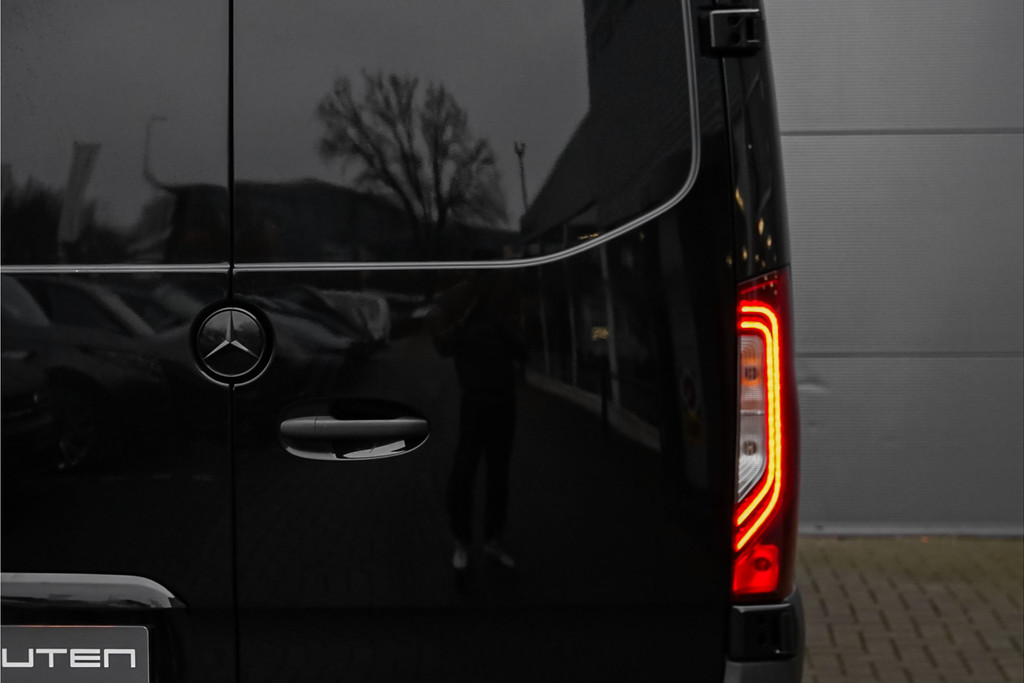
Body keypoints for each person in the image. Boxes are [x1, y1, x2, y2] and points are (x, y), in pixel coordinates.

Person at [434, 270, 526, 572]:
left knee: (498, 476)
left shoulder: (500, 305)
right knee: (464, 475)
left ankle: (491, 539)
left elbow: (523, 349)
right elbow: (442, 346)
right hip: (475, 403)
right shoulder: (458, 305)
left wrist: (499, 327)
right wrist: (462, 324)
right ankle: (463, 540)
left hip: (502, 402)